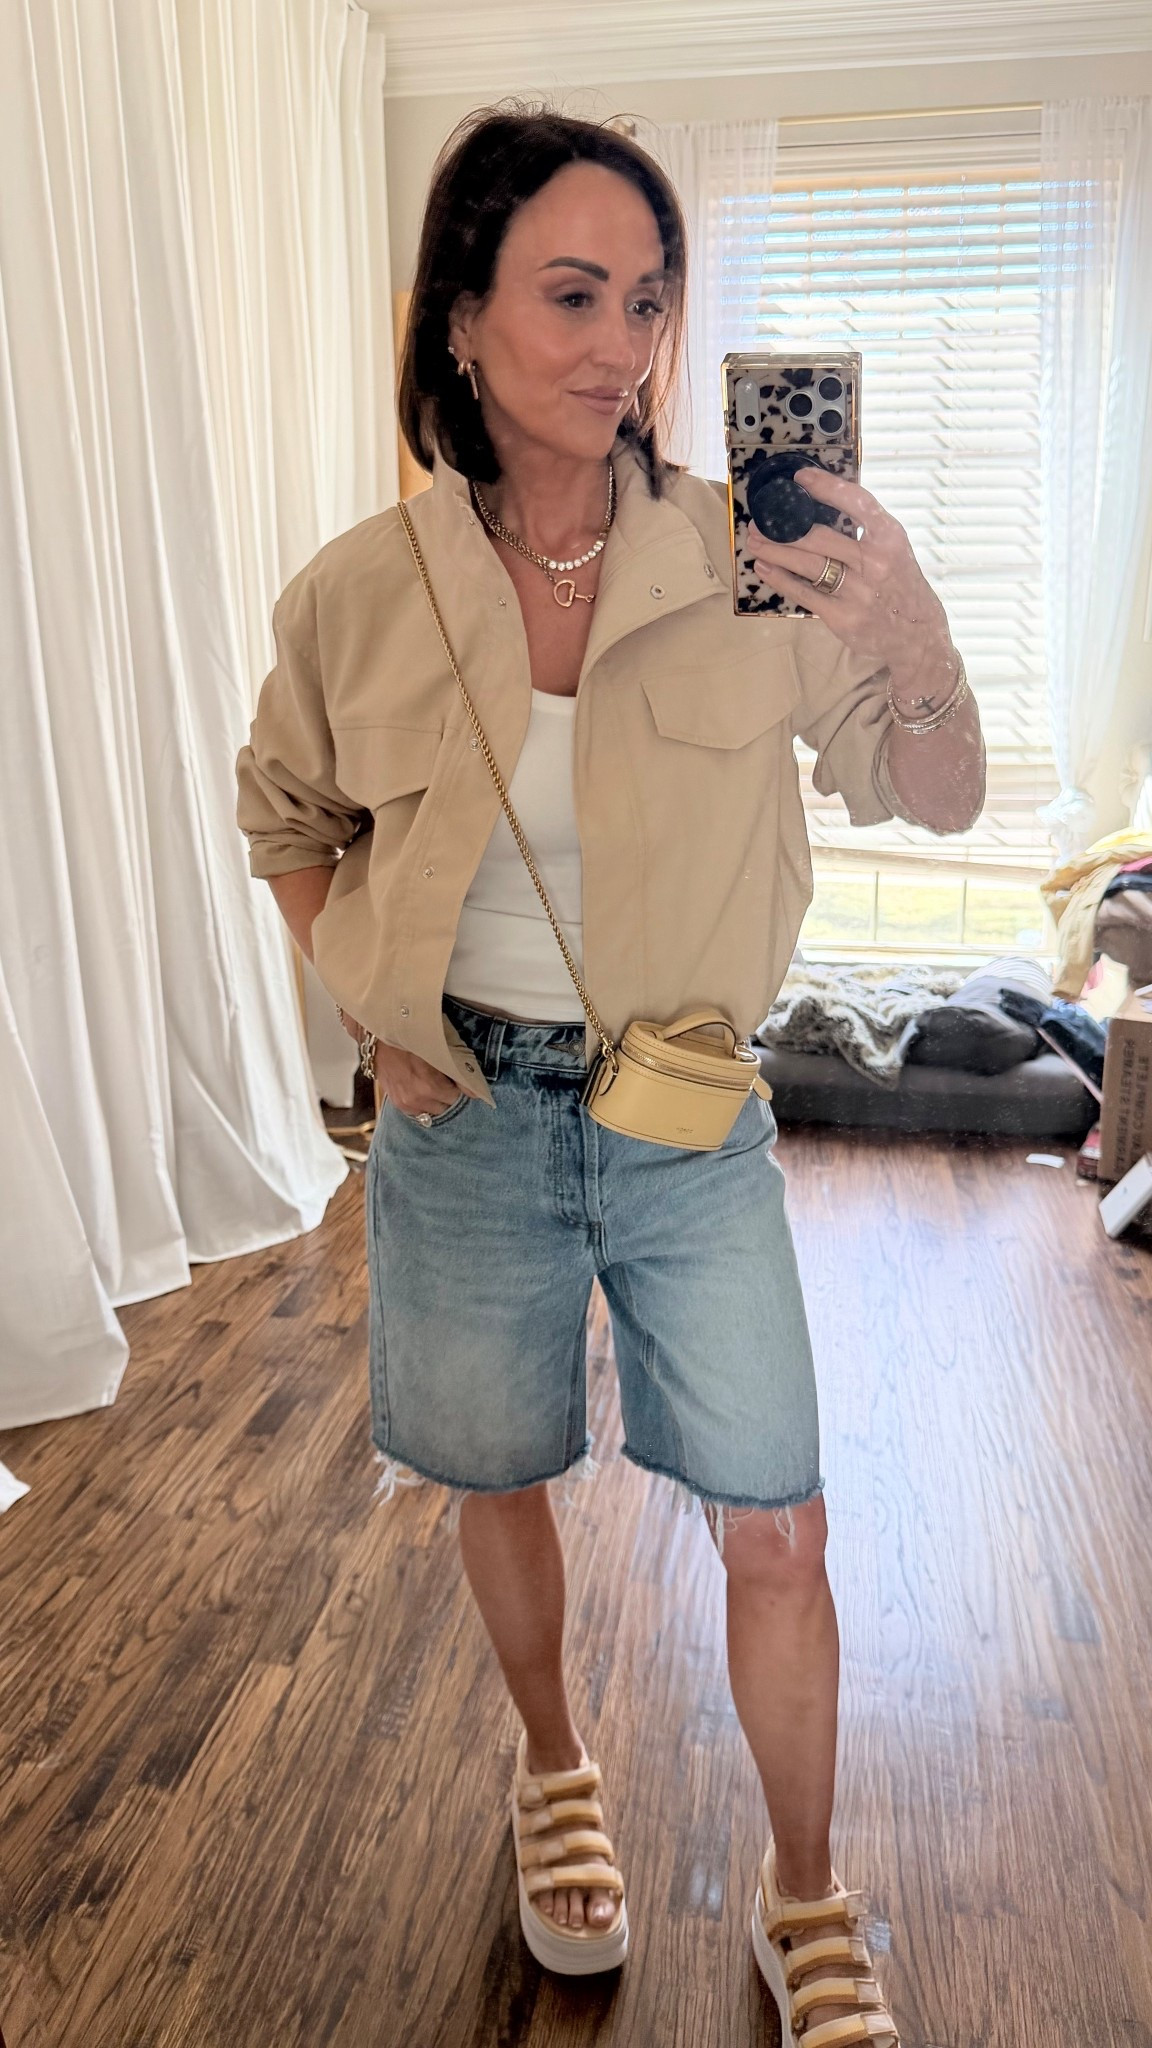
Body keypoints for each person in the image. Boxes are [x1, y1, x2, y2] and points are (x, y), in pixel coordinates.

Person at [236, 106, 984, 2044]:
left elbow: (935, 794)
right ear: (459, 317)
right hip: (462, 1114)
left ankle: (805, 1891)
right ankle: (555, 1765)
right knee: (497, 1468)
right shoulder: (356, 592)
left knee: (780, 1515)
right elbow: (287, 817)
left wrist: (907, 625)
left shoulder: (749, 560)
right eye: (572, 295)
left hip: (688, 1108)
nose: (623, 345)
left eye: (648, 301)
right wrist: (369, 1020)